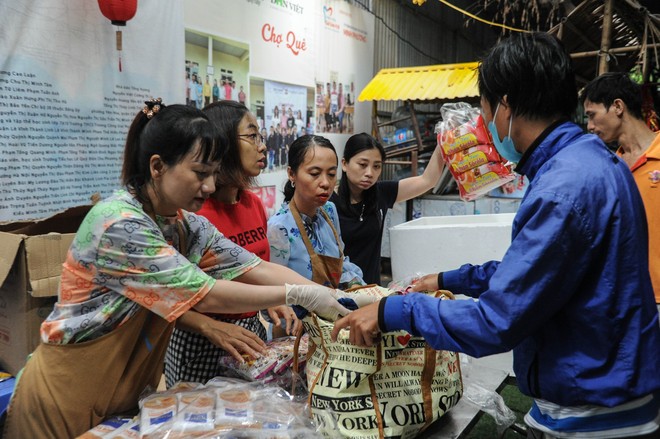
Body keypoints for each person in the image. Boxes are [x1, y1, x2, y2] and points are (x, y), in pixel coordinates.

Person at [333, 33, 660, 438]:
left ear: (504, 106)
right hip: (604, 387)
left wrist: (392, 311)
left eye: (485, 111)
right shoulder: (589, 163)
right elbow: (532, 273)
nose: (485, 125)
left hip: (594, 412)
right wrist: (446, 280)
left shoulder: (562, 189)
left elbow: (497, 321)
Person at [2, 102, 349, 438]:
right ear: (157, 167)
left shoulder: (183, 224)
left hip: (124, 392)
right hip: (64, 397)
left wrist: (331, 296)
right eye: (200, 173)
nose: (210, 186)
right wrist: (298, 293)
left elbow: (254, 267)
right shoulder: (120, 225)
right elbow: (207, 294)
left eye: (213, 174)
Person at [164, 100, 305, 386]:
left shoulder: (252, 203)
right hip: (202, 340)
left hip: (249, 335)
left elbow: (256, 269)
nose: (262, 146)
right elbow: (168, 298)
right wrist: (210, 326)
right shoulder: (193, 214)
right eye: (252, 136)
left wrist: (274, 302)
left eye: (261, 136)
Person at [581, 72, 660, 314]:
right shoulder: (610, 168)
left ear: (617, 107)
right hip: (628, 303)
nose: (589, 126)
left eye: (592, 115)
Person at [331, 132, 445, 285]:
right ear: (345, 164)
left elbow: (427, 180)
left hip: (372, 290)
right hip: (336, 293)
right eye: (363, 165)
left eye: (376, 166)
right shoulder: (328, 202)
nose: (369, 173)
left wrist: (444, 141)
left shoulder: (381, 193)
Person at [268, 135, 365, 290]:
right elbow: (273, 289)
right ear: (292, 174)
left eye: (332, 174)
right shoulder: (278, 228)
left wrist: (355, 283)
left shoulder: (329, 211)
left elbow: (342, 262)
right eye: (314, 173)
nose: (326, 183)